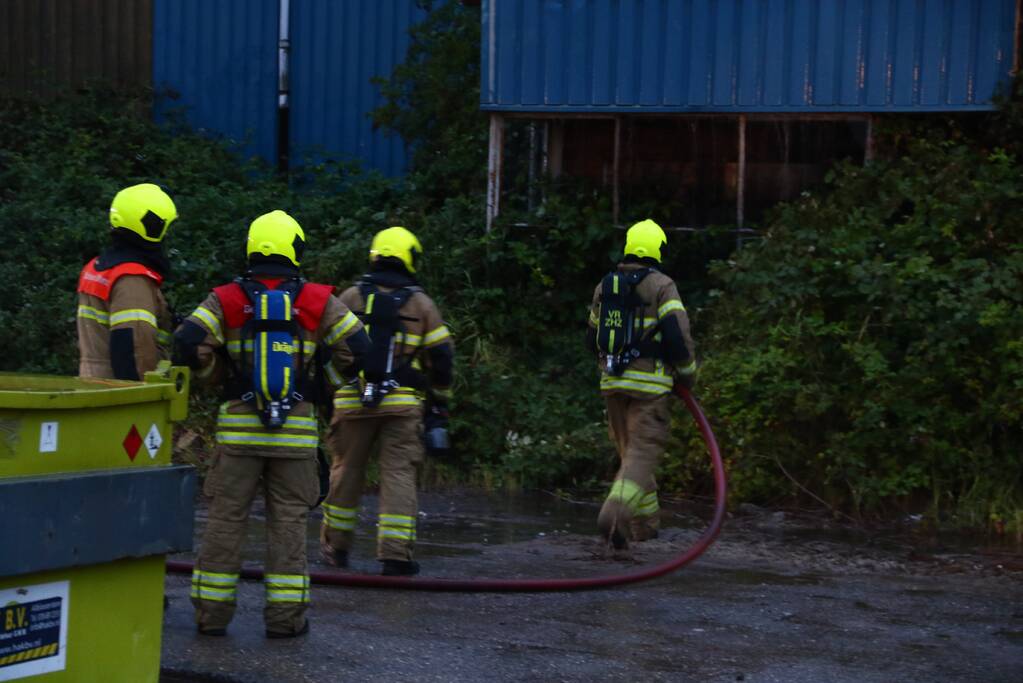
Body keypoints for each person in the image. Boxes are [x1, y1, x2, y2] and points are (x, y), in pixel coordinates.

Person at [173, 210, 370, 638]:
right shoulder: (318, 300)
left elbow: (187, 341)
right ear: (295, 249)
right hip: (295, 436)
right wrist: (322, 388)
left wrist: (217, 378)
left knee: (225, 522)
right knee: (288, 526)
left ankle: (211, 618)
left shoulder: (225, 298)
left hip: (238, 434)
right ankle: (285, 621)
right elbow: (361, 350)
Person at [319, 226, 454, 576]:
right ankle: (395, 556)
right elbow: (441, 358)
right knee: (398, 475)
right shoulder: (421, 304)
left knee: (345, 472)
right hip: (402, 404)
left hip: (351, 403)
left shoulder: (349, 298)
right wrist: (440, 404)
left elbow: (324, 350)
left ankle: (335, 550)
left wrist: (334, 391)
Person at [586, 219, 697, 549]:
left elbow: (591, 339)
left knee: (631, 457)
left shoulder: (606, 286)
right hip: (649, 388)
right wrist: (688, 374)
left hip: (613, 384)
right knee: (643, 453)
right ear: (657, 250)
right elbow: (678, 337)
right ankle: (614, 514)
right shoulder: (662, 285)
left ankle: (644, 528)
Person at [77, 183, 177, 379]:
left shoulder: (96, 268)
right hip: (118, 397)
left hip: (92, 385)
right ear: (153, 227)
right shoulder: (131, 279)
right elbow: (134, 351)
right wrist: (142, 397)